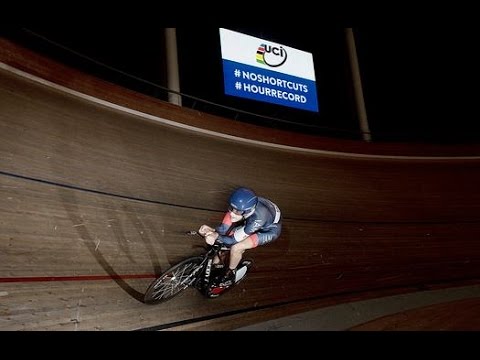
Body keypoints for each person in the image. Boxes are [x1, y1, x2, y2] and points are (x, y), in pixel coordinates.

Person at [198, 187, 282, 288]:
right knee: (224, 236)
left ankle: (230, 272)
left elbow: (232, 241)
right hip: (259, 214)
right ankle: (218, 262)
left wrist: (215, 236)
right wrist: (213, 231)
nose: (232, 214)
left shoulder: (257, 220)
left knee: (236, 247)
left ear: (247, 211)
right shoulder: (239, 207)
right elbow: (223, 230)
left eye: (237, 212)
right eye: (231, 208)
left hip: (269, 230)